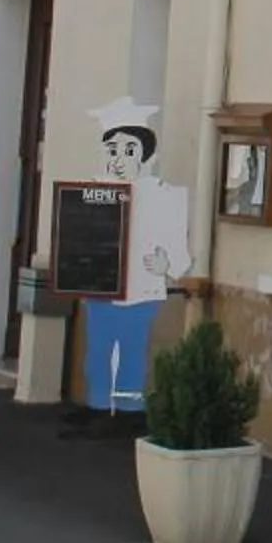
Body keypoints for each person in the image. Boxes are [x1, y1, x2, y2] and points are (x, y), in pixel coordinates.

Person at [81, 98, 191, 414]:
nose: (119, 159)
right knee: (98, 353)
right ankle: (100, 405)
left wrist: (165, 266)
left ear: (146, 156)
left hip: (142, 293)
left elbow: (180, 257)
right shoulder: (94, 194)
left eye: (129, 151)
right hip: (102, 291)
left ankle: (129, 409)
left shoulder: (166, 198)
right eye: (113, 151)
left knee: (132, 353)